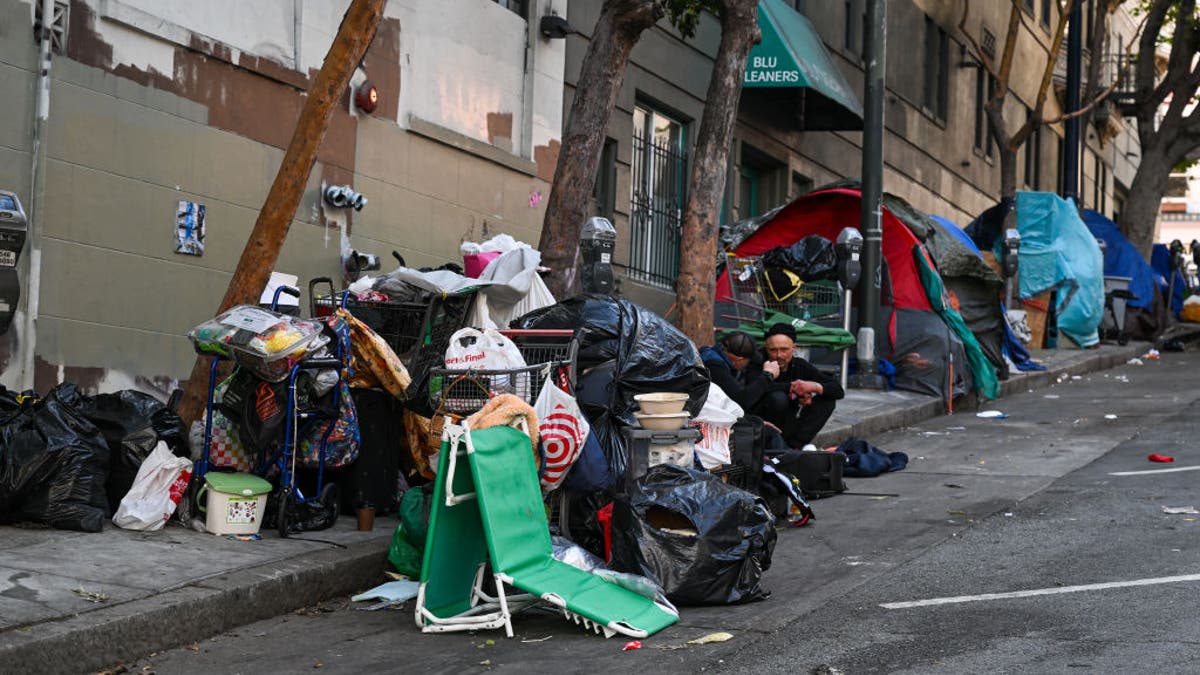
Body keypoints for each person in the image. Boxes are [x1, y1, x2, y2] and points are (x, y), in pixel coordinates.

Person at [747, 322, 844, 448]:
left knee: (827, 400)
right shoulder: (757, 363)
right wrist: (795, 390)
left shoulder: (799, 365)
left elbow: (838, 390)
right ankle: (772, 446)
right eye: (773, 350)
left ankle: (795, 447)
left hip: (790, 423)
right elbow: (753, 389)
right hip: (762, 425)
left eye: (784, 350)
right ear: (766, 348)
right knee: (778, 398)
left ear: (794, 348)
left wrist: (813, 387)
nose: (778, 355)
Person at [699, 330, 780, 412]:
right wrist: (768, 375)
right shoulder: (715, 367)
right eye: (748, 360)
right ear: (739, 360)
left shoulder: (712, 352)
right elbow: (740, 402)